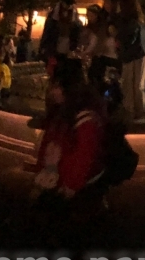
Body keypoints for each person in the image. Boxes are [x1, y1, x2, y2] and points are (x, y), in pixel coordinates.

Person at [31, 58, 107, 249]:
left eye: (57, 86)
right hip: (56, 183)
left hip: (70, 190)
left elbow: (84, 156)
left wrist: (70, 186)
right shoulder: (62, 112)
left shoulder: (84, 118)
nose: (53, 91)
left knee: (67, 237)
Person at [116, 0, 145, 121]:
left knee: (128, 84)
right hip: (141, 53)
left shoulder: (128, 22)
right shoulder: (140, 21)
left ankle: (130, 110)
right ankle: (140, 111)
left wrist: (117, 37)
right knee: (137, 84)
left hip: (130, 55)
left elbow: (128, 39)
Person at [39, 0, 83, 72]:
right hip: (54, 49)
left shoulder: (75, 16)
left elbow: (77, 34)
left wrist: (75, 48)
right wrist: (44, 49)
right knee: (55, 72)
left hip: (69, 50)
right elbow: (47, 33)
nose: (69, 6)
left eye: (71, 4)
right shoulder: (53, 15)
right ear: (62, 2)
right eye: (67, 3)